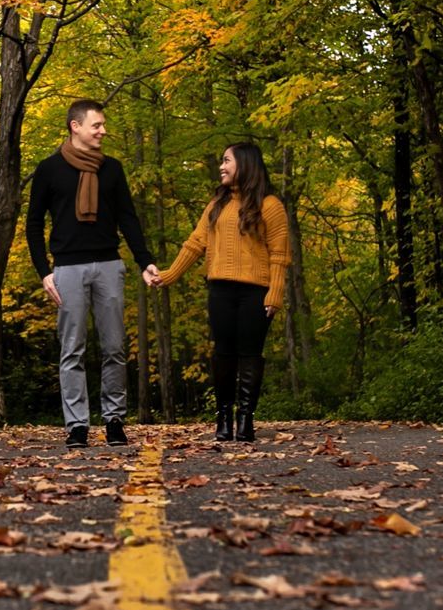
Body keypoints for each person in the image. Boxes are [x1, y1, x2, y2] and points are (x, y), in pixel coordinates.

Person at [25, 99, 156, 448]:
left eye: (103, 125)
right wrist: (43, 272)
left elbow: (128, 217)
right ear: (75, 126)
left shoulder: (111, 169)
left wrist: (145, 261)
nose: (103, 131)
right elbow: (34, 224)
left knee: (114, 346)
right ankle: (77, 426)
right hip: (66, 268)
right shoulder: (49, 169)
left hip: (109, 265)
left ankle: (114, 420)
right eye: (97, 125)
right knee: (72, 350)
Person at [145, 142, 290, 443]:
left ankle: (245, 420)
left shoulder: (271, 205)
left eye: (226, 161)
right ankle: (223, 418)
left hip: (256, 293)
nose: (221, 167)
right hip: (220, 290)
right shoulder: (217, 204)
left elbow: (279, 255)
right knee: (223, 355)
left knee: (250, 355)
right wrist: (169, 274)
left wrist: (275, 293)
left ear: (245, 164)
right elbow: (196, 243)